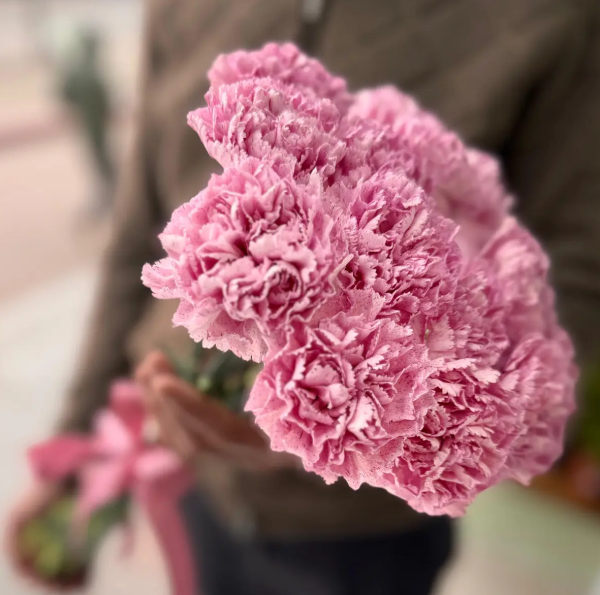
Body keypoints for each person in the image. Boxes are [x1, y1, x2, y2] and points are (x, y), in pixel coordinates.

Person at [7, 0, 600, 593]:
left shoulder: (551, 17)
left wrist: (347, 436)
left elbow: (578, 269)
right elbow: (136, 236)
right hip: (192, 483)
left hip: (358, 537)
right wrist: (73, 450)